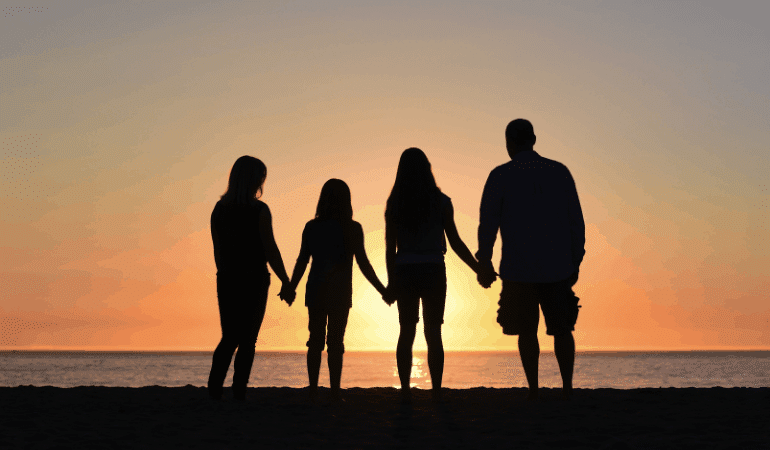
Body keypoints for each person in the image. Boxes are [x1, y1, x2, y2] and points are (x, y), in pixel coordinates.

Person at [476, 119, 585, 400]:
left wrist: (484, 259)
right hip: (557, 265)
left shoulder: (500, 175)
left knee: (527, 331)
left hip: (518, 267)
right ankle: (568, 387)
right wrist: (576, 260)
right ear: (534, 139)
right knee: (562, 330)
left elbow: (488, 223)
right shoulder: (559, 172)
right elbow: (576, 223)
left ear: (509, 143)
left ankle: (534, 388)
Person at [385, 148, 481, 404]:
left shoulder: (395, 203)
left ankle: (406, 390)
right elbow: (456, 242)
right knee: (433, 332)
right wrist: (478, 268)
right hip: (433, 269)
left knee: (406, 331)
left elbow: (389, 248)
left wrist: (391, 282)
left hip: (405, 269)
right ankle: (436, 390)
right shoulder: (441, 201)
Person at [286, 179, 388, 402]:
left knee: (315, 340)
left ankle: (313, 390)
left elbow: (302, 261)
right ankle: (334, 392)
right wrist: (383, 290)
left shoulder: (312, 227)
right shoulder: (352, 228)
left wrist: (291, 287)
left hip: (316, 289)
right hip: (340, 291)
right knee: (335, 342)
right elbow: (363, 263)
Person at [208, 155, 292, 401]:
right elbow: (270, 249)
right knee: (246, 340)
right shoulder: (259, 210)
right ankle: (238, 391)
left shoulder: (220, 210)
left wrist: (225, 273)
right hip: (254, 279)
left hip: (228, 279)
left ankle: (216, 389)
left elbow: (218, 250)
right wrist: (285, 281)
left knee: (231, 337)